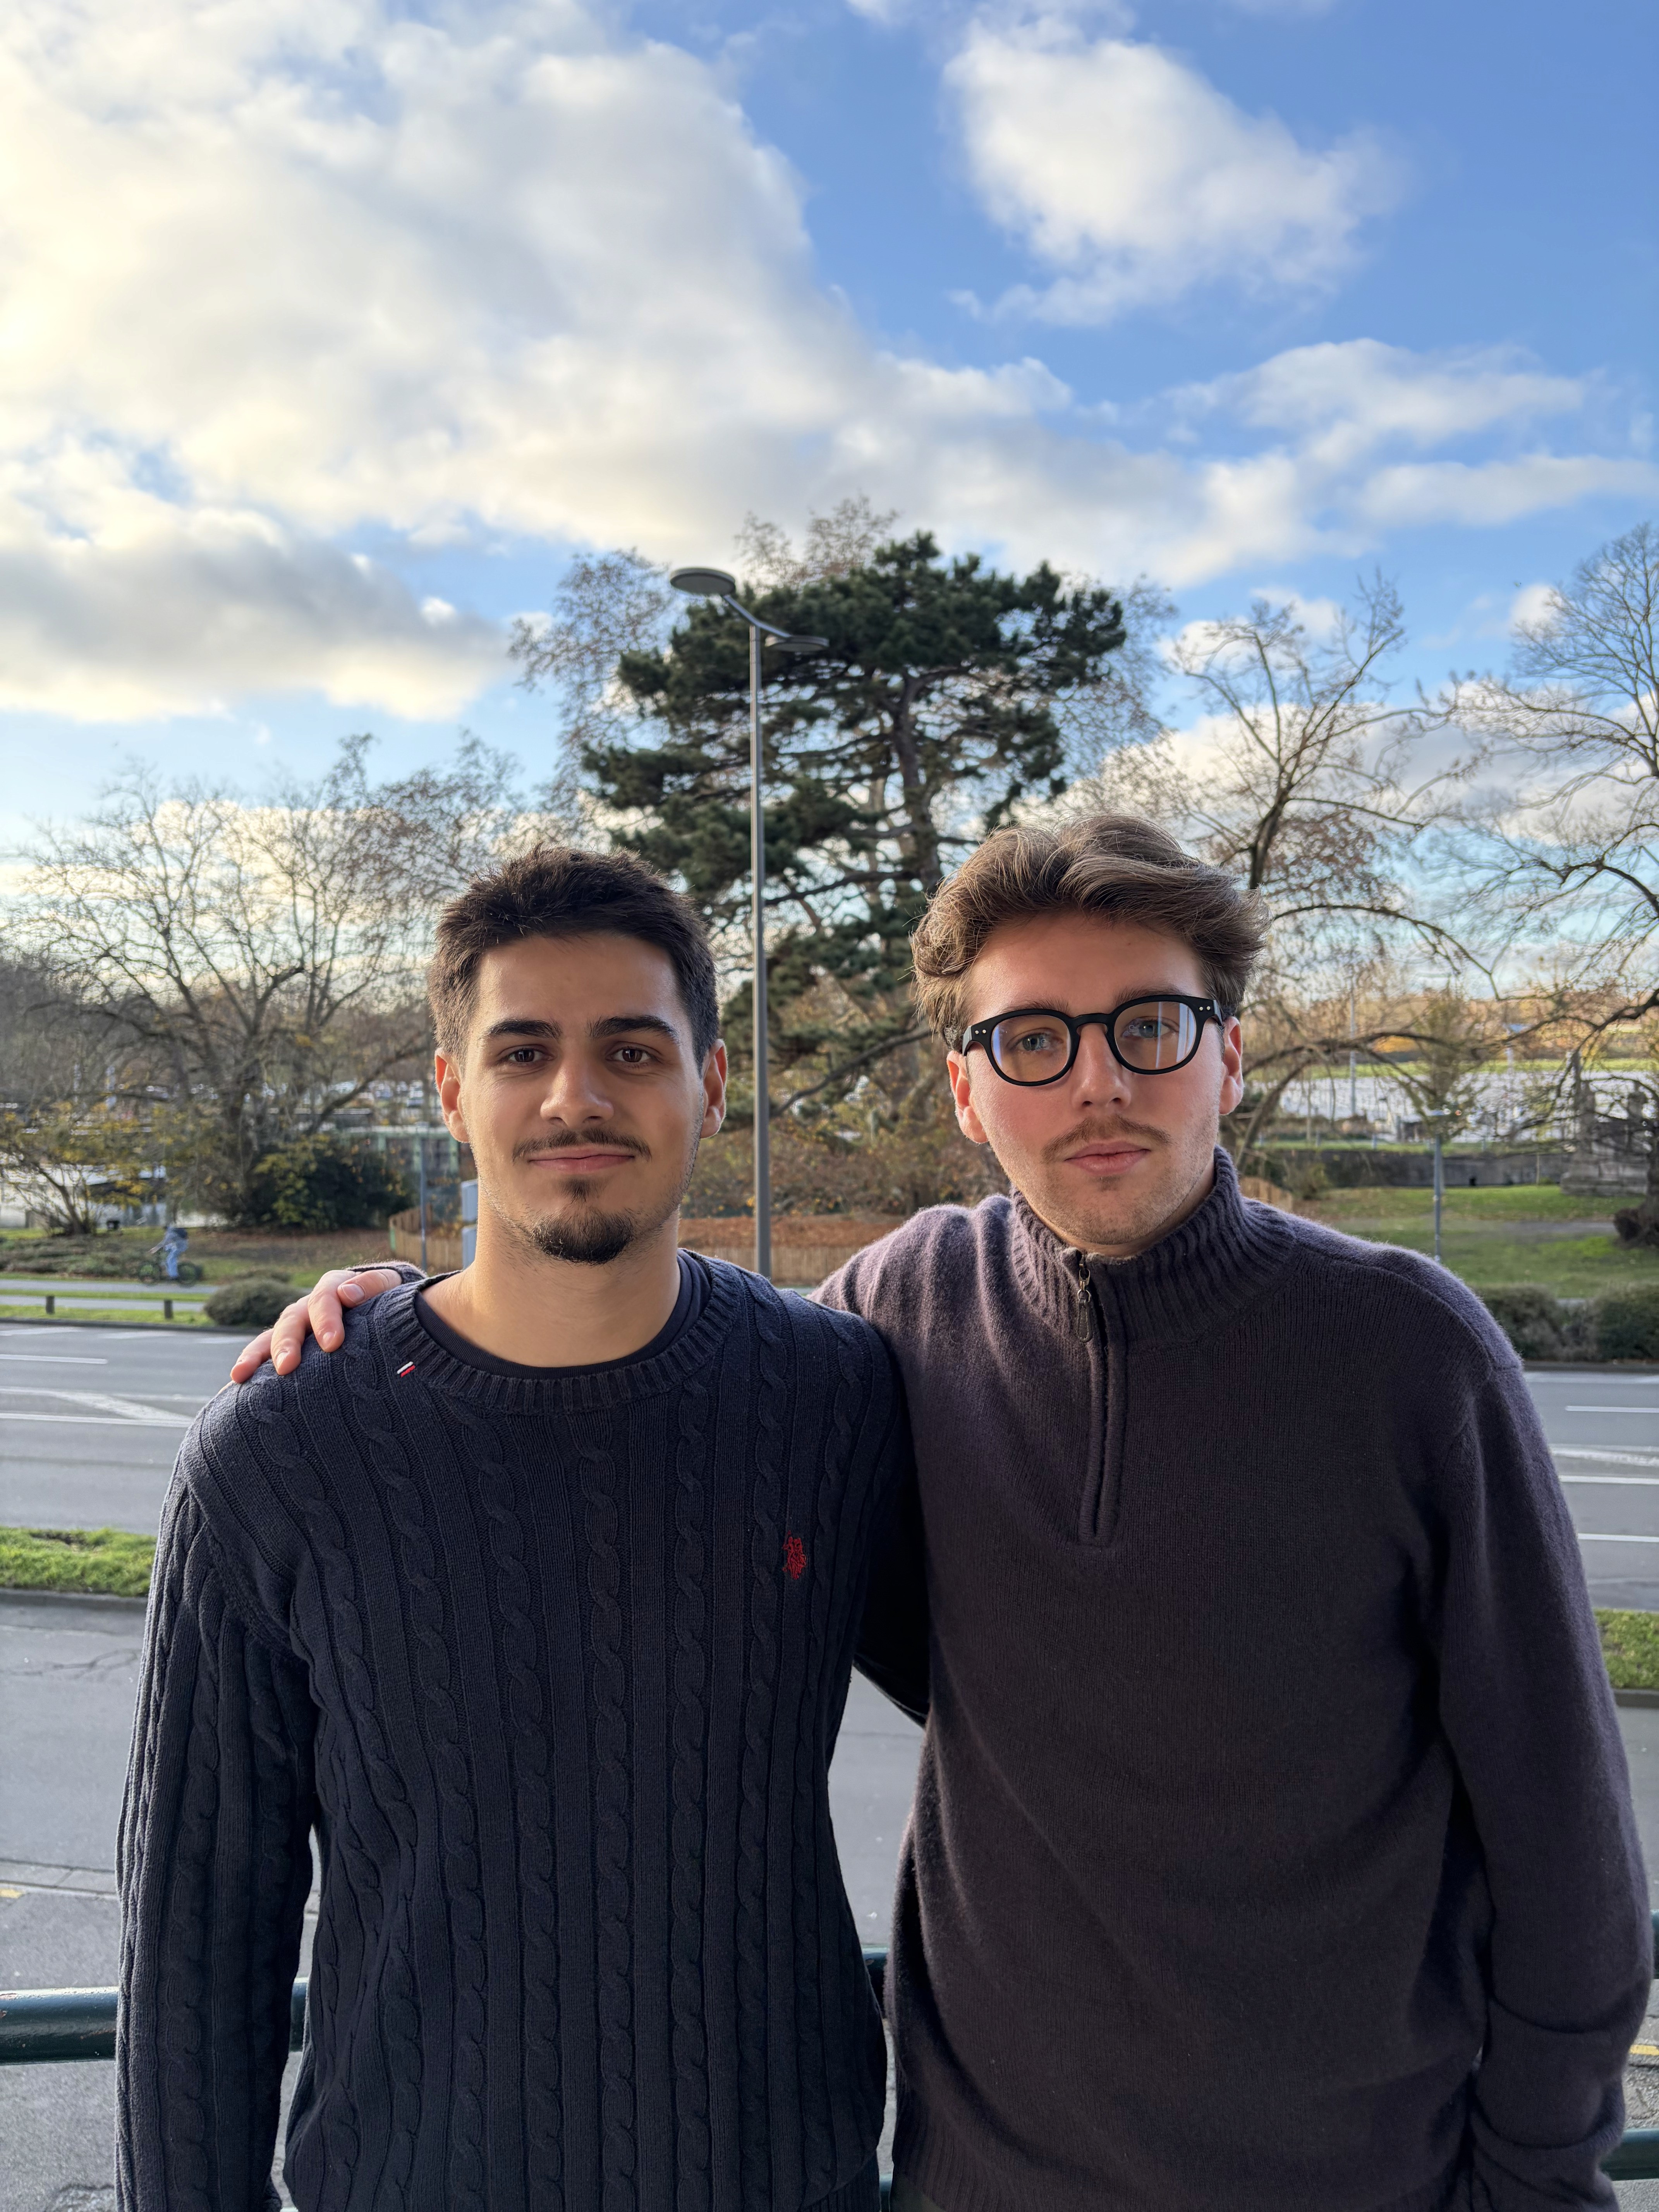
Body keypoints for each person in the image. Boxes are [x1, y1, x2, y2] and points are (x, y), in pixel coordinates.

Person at [239, 814, 1650, 2212]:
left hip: (1359, 2184)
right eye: (1031, 1039)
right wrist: (410, 1316)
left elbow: (1566, 1848)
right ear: (968, 1091)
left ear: (1227, 1053)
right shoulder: (900, 1312)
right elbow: (659, 1364)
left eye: (1149, 1025)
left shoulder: (1407, 1353)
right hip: (971, 2182)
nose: (1097, 1081)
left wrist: (1533, 2184)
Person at [120, 847, 908, 2212]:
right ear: (450, 1089)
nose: (574, 1098)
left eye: (632, 1051)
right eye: (522, 1051)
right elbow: (198, 1932)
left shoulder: (836, 1398)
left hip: (787, 2181)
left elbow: (1034, 1722)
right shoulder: (279, 1449)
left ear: (712, 1085)